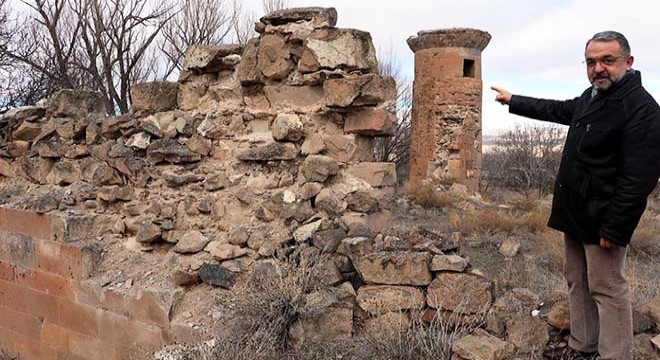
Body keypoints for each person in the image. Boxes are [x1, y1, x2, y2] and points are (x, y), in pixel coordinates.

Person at [491, 31, 660, 360]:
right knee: (577, 280)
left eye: (607, 60)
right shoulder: (593, 96)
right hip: (575, 211)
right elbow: (559, 109)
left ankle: (614, 356)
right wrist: (514, 100)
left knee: (607, 288)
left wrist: (615, 228)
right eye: (592, 62)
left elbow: (638, 178)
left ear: (628, 62)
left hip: (604, 220)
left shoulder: (642, 109)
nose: (599, 68)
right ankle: (583, 346)